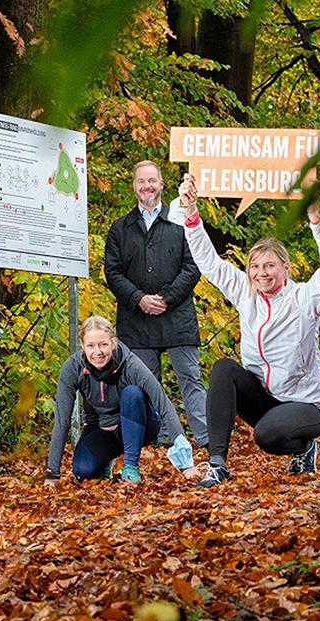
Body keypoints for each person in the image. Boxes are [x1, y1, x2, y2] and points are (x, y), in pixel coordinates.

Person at [176, 174, 320, 487]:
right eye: (255, 266)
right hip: (265, 397)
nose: (261, 273)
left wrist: (317, 220)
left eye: (269, 266)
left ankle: (306, 445)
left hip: (306, 404)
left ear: (285, 268)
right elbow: (209, 264)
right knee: (224, 369)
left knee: (266, 436)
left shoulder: (305, 299)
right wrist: (191, 214)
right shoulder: (245, 291)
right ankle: (217, 464)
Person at [104, 161, 208, 448]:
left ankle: (208, 439)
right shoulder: (120, 228)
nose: (147, 186)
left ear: (162, 184)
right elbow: (112, 272)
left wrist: (166, 298)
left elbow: (194, 264)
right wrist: (139, 299)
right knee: (147, 385)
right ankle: (163, 440)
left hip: (178, 317)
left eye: (152, 181)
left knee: (191, 380)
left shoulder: (181, 221)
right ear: (134, 186)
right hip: (137, 321)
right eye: (141, 181)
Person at [44, 316, 197, 485]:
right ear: (83, 346)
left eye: (103, 344)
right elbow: (62, 419)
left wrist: (186, 464)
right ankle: (104, 462)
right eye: (91, 346)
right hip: (102, 428)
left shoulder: (130, 363)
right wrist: (52, 474)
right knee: (83, 472)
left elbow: (163, 403)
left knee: (132, 393)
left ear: (113, 342)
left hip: (140, 423)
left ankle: (130, 465)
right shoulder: (73, 368)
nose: (98, 352)